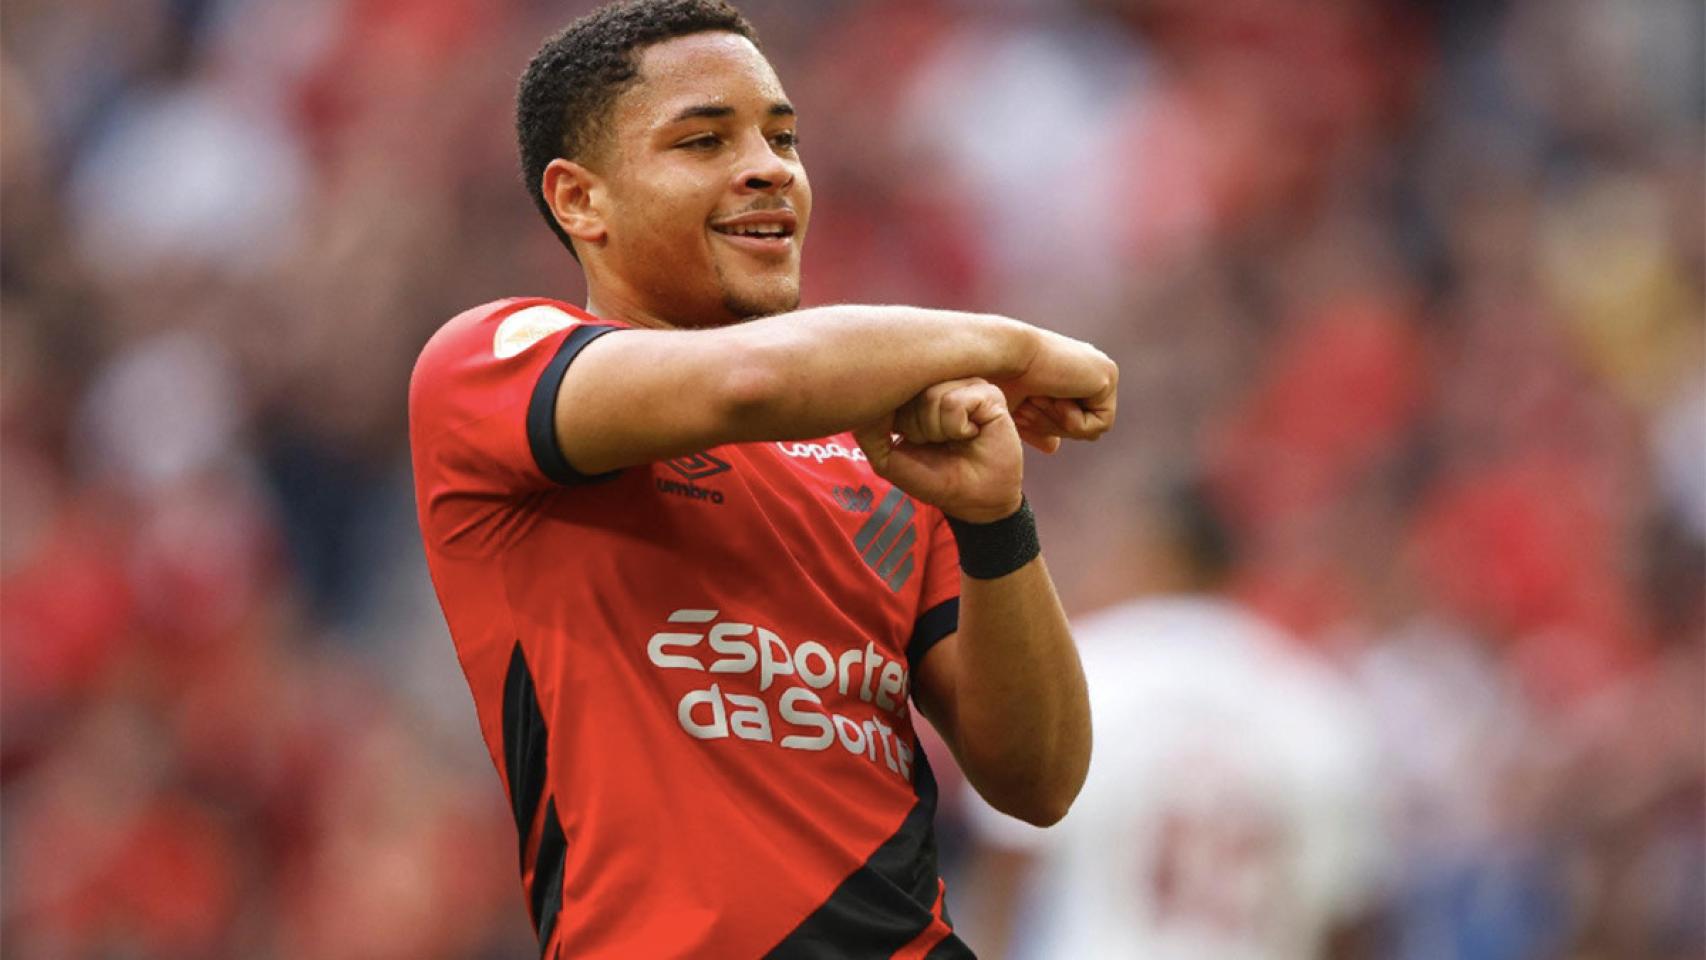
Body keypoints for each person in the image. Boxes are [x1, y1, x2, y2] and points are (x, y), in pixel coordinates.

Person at [407, 1, 1118, 957]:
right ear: (581, 200)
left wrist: (995, 517)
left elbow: (1041, 782)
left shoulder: (889, 445)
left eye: (783, 137)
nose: (768, 166)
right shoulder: (494, 363)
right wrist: (1014, 346)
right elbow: (750, 380)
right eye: (703, 140)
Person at [959, 486, 1388, 960]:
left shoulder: (1081, 670)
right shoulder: (1316, 703)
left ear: (1157, 555)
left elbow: (1006, 874)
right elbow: (1348, 926)